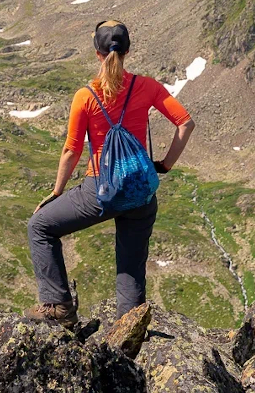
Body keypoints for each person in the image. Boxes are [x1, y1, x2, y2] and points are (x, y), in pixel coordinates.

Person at [25, 20, 196, 327]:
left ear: (97, 53)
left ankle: (59, 308)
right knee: (131, 267)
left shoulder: (86, 96)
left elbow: (72, 150)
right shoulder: (147, 86)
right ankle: (128, 330)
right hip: (141, 191)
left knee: (39, 226)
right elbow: (185, 123)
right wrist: (165, 165)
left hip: (100, 191)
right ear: (127, 51)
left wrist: (57, 191)